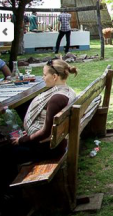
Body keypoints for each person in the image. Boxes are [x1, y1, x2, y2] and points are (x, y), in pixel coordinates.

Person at [1, 59, 77, 195]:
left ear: (54, 77)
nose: (43, 78)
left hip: (48, 148)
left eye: (44, 74)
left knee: (6, 152)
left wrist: (22, 140)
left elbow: (45, 132)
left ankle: (12, 195)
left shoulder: (56, 99)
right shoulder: (67, 91)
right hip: (57, 142)